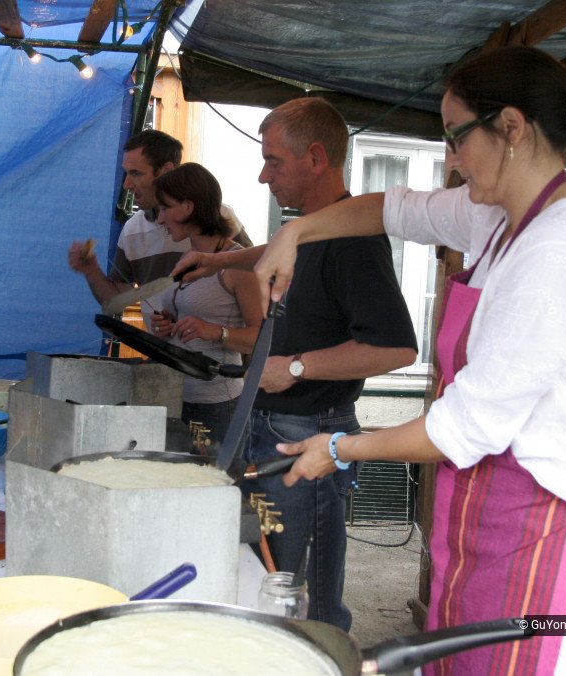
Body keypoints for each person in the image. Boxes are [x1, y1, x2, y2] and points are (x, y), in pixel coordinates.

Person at [248, 46, 566, 675]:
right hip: (501, 529)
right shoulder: (497, 221)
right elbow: (392, 207)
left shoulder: (559, 251)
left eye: (456, 139)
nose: (451, 158)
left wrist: (340, 448)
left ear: (510, 127)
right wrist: (295, 232)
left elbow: (465, 427)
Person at [173, 97, 418, 630]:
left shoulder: (355, 244)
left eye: (273, 162)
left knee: (301, 597)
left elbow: (398, 348)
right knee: (271, 576)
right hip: (274, 424)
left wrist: (297, 367)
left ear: (314, 157)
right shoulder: (313, 227)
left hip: (307, 435)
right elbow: (282, 247)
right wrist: (219, 259)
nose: (264, 176)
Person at [68, 129, 251, 330]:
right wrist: (91, 270)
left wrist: (217, 334)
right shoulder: (132, 230)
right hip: (163, 354)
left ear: (166, 171)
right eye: (125, 173)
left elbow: (256, 282)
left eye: (136, 173)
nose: (127, 184)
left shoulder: (219, 216)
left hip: (215, 358)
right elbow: (115, 302)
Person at [147, 163, 263, 445]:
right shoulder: (189, 257)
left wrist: (215, 332)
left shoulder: (236, 263)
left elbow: (262, 339)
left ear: (188, 206)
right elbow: (190, 321)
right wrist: (167, 325)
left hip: (218, 404)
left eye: (164, 208)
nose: (159, 219)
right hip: (177, 397)